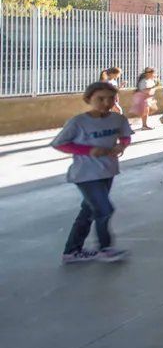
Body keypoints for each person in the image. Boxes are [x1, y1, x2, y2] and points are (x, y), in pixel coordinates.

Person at [52, 81, 132, 264]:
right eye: (100, 99)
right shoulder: (79, 122)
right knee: (104, 210)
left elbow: (126, 135)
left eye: (111, 98)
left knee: (88, 211)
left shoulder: (118, 119)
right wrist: (88, 151)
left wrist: (122, 145)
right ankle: (105, 248)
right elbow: (60, 143)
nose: (106, 102)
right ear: (89, 99)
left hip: (107, 171)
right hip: (86, 175)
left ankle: (72, 251)